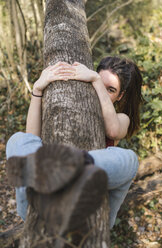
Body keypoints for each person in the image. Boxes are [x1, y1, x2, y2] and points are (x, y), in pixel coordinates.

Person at [6, 56, 143, 229]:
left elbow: (113, 131)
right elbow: (32, 138)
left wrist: (96, 80)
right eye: (98, 82)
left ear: (120, 96)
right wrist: (37, 89)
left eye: (110, 89)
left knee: (130, 158)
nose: (101, 88)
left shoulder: (121, 119)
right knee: (18, 139)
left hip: (90, 206)